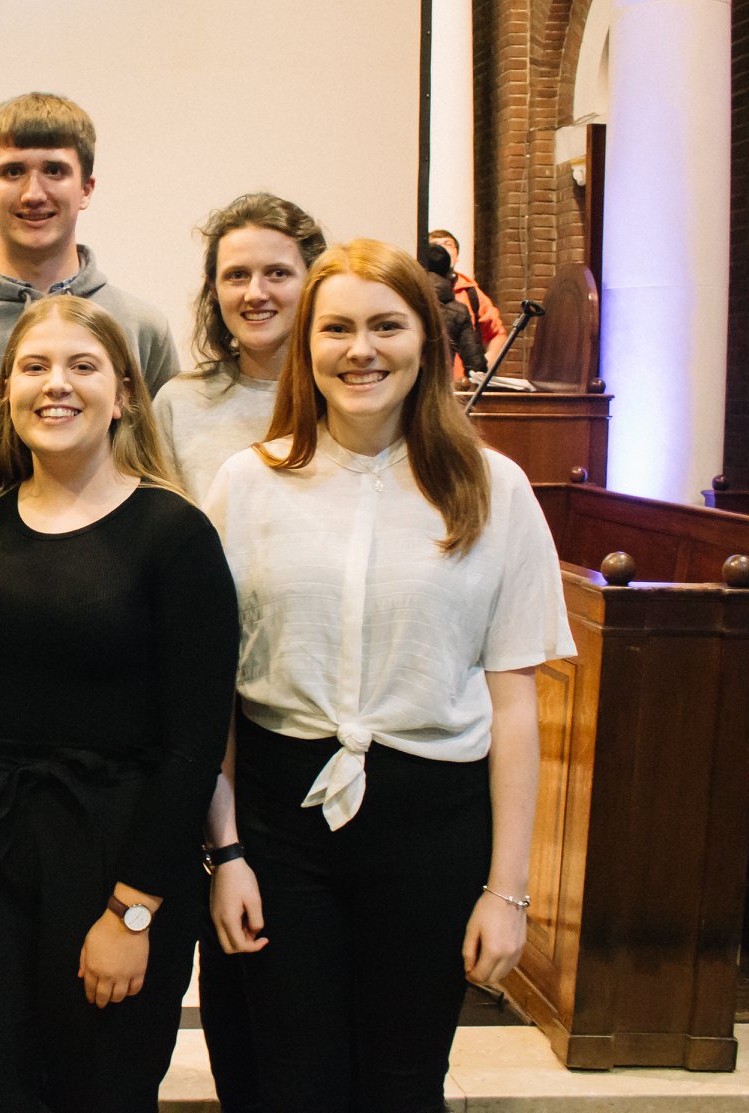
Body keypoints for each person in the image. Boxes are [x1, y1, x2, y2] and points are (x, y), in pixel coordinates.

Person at [202, 239, 575, 1112]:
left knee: (403, 1081)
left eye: (385, 325)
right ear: (307, 346)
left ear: (427, 342)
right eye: (335, 328)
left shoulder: (493, 488)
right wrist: (223, 852)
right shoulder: (248, 484)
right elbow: (210, 688)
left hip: (431, 821)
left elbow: (512, 702)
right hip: (278, 817)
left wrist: (507, 890)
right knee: (291, 1079)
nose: (359, 349)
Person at [0, 296, 237, 1112]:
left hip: (116, 861)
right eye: (32, 367)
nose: (54, 385)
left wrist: (131, 912)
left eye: (81, 366)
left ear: (126, 394)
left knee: (99, 1091)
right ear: (5, 392)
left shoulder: (174, 536)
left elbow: (193, 741)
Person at [0, 91, 181, 494]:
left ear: (86, 188)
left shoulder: (142, 327)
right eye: (13, 172)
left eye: (55, 170)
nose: (34, 193)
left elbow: (158, 468)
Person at [153, 191, 326, 500]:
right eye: (237, 275)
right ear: (214, 290)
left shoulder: (343, 398)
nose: (256, 293)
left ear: (313, 282)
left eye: (277, 273)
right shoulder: (179, 405)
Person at [428, 228, 505, 367]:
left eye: (448, 243)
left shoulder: (471, 293)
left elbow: (497, 333)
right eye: (435, 244)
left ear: (457, 255)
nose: (442, 248)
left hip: (461, 384)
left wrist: (486, 363)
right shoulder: (414, 290)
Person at [420, 242, 487, 383]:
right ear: (448, 274)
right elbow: (476, 364)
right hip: (440, 388)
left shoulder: (404, 303)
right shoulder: (459, 310)